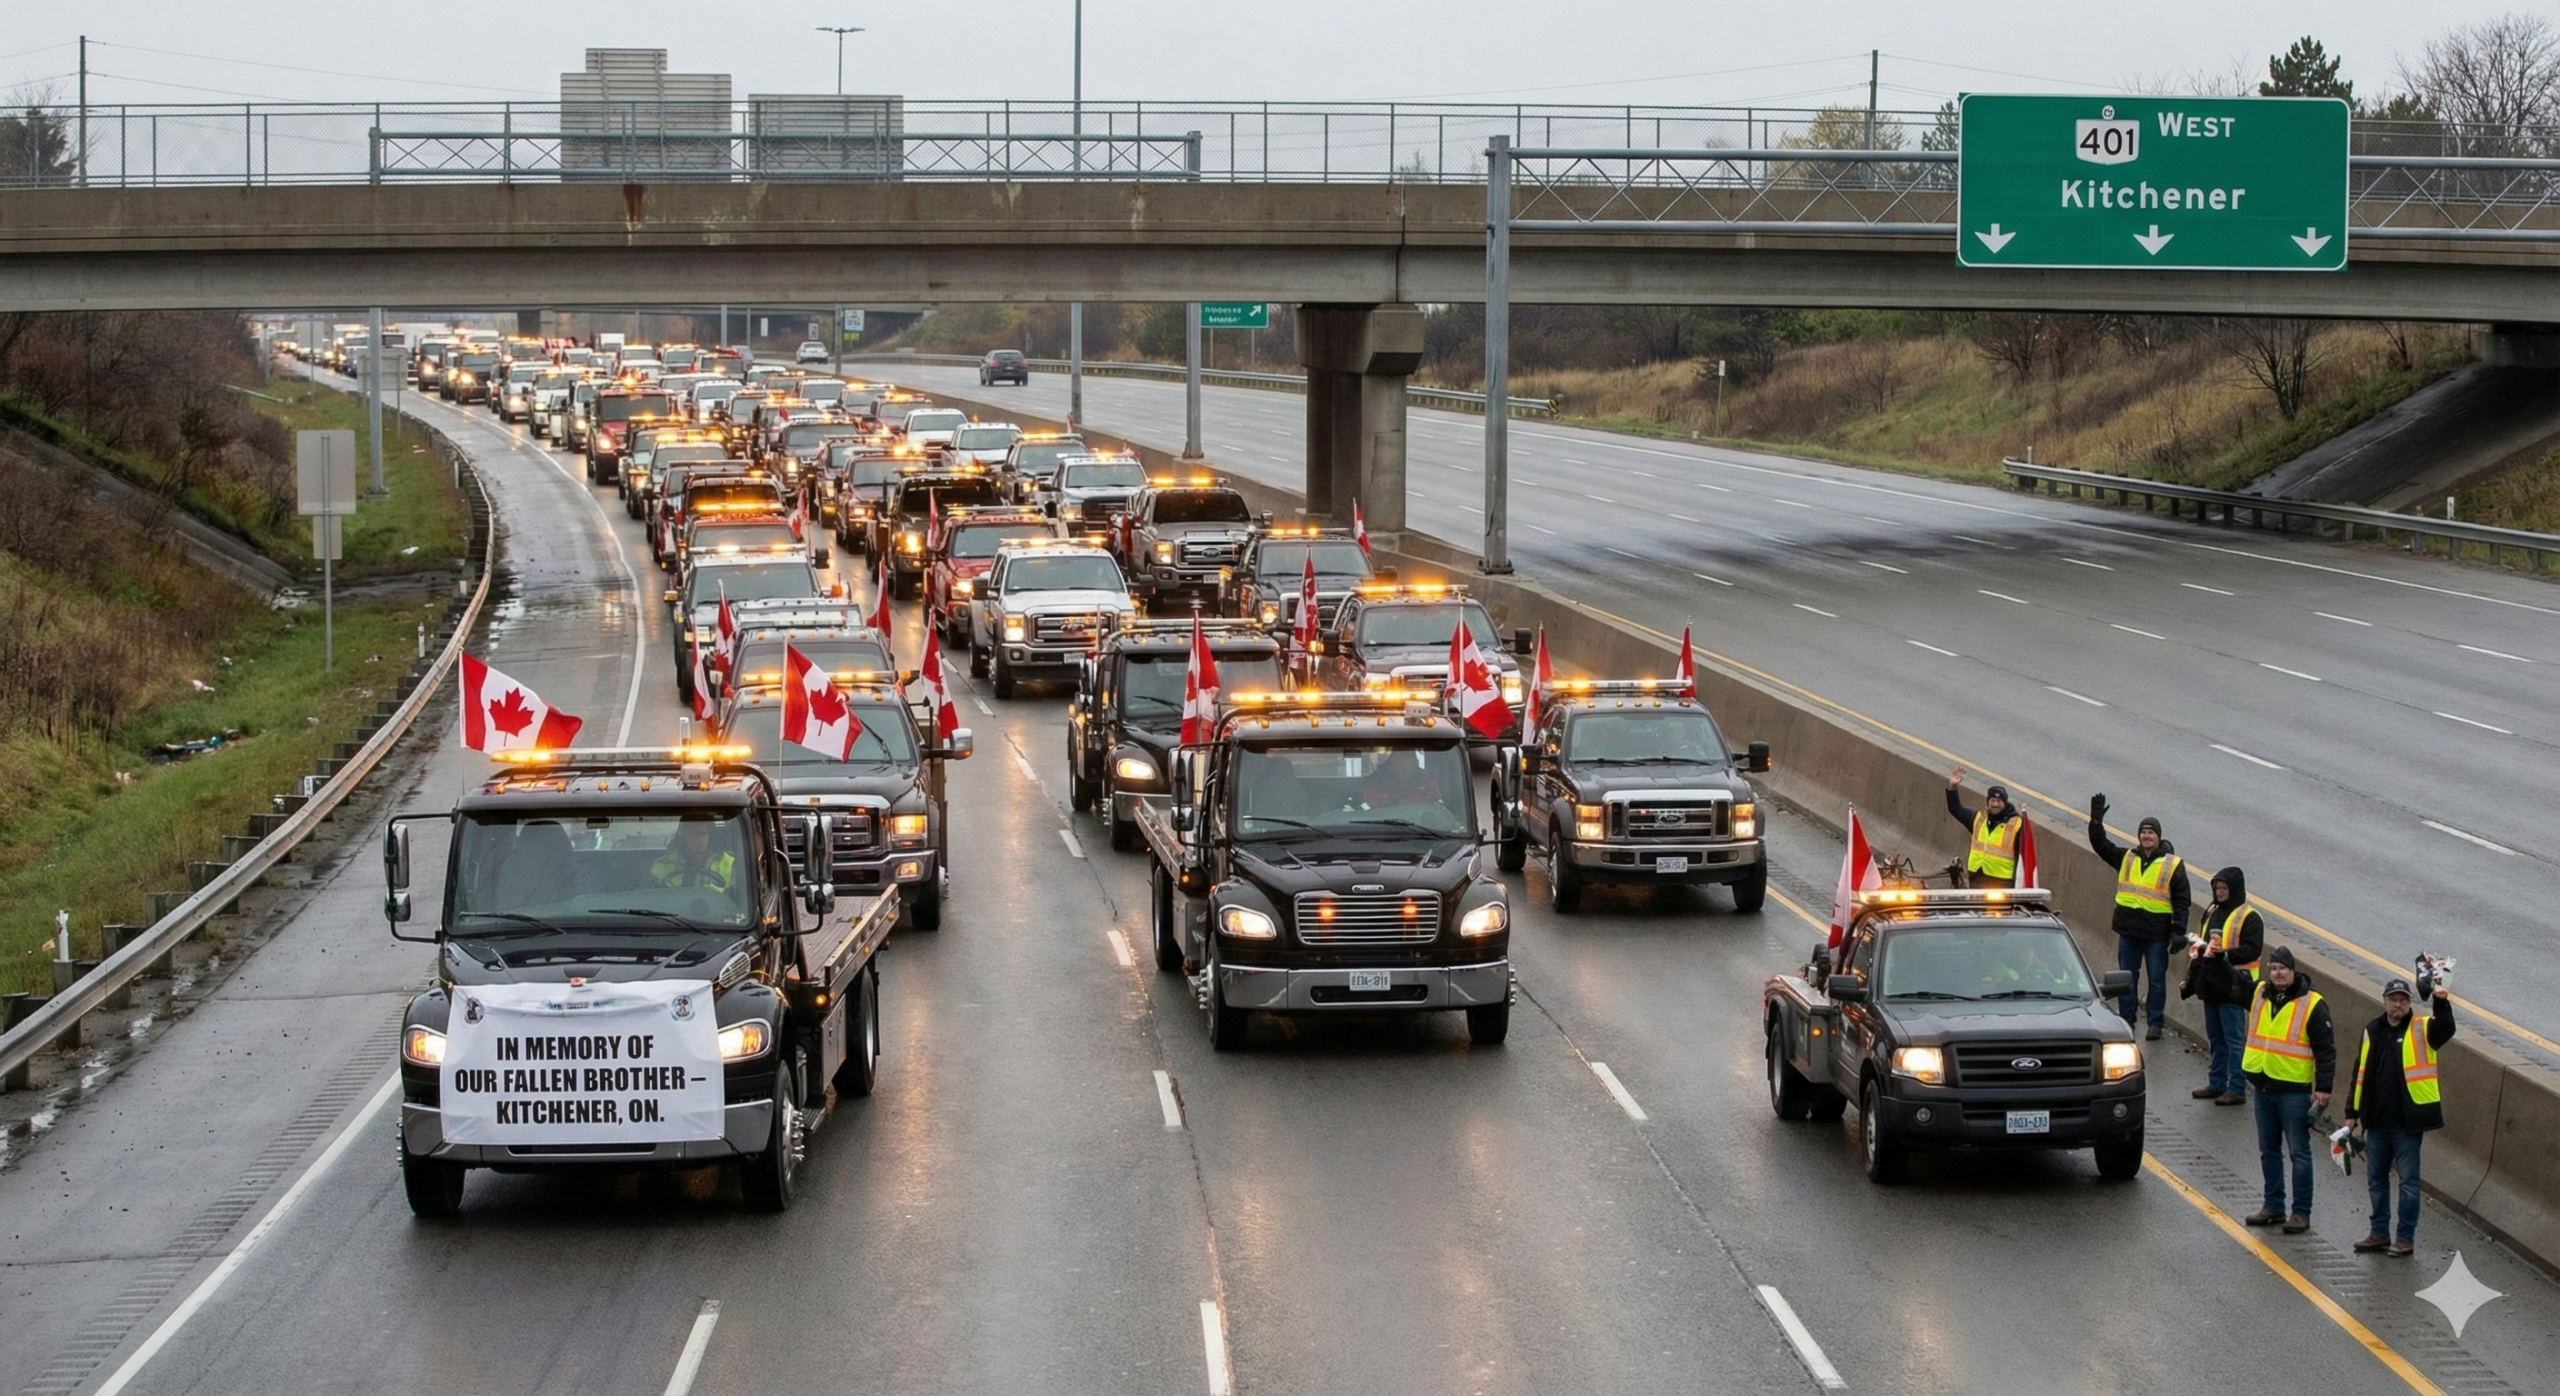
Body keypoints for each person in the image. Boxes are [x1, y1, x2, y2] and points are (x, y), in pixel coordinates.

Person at [2346, 974, 2458, 1257]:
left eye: (2403, 1000)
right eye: (2394, 999)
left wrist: (2441, 1000)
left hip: (2408, 1123)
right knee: (2376, 1179)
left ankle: (2405, 1238)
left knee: (2408, 1182)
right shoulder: (2372, 1030)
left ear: (2409, 1003)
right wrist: (2352, 1113)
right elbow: (2359, 1073)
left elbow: (2446, 1028)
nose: (2398, 1004)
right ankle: (2379, 1233)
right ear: (2384, 1001)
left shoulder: (2422, 1029)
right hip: (2377, 1122)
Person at [2242, 946, 2335, 1234]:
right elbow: (2227, 987)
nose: (2278, 973)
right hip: (2263, 1085)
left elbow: (2326, 1049)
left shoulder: (2313, 1003)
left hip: (2293, 1090)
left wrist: (2323, 1088)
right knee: (2268, 1149)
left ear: (2293, 971)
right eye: (2273, 968)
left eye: (2283, 968)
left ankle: (2301, 1212)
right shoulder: (2260, 994)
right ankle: (2273, 1206)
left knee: (2299, 1152)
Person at [2086, 795, 2192, 1040]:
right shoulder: (2127, 858)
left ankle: (2155, 1023)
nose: (2146, 836)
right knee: (2126, 979)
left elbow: (2182, 900)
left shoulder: (2172, 865)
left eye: (2151, 833)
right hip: (2129, 932)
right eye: (2143, 832)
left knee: (2156, 980)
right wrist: (2095, 821)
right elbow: (2101, 846)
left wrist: (2179, 930)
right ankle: (2127, 1020)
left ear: (2159, 837)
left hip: (2156, 934)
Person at [2178, 867, 2263, 1106]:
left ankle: (2236, 1088)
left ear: (2234, 889)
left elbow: (2253, 949)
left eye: (2225, 888)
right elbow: (2202, 946)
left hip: (2234, 985)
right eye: (2217, 888)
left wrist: (2224, 955)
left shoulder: (2250, 916)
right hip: (2211, 982)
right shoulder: (2212, 911)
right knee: (2216, 1037)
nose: (2220, 892)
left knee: (2234, 1040)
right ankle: (2216, 1083)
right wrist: (2191, 979)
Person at [1946, 768, 2022, 888]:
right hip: (1977, 877)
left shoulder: (2017, 824)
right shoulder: (1977, 819)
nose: (1995, 804)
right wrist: (1952, 788)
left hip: (2002, 881)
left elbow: (2022, 858)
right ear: (1987, 803)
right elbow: (1955, 808)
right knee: (1977, 908)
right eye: (1992, 800)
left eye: (1999, 801)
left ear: (2005, 803)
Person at [651, 819, 736, 893]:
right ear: (684, 836)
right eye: (695, 834)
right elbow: (655, 897)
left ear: (710, 835)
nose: (700, 839)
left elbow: (736, 898)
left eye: (704, 834)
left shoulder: (730, 862)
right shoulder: (662, 864)